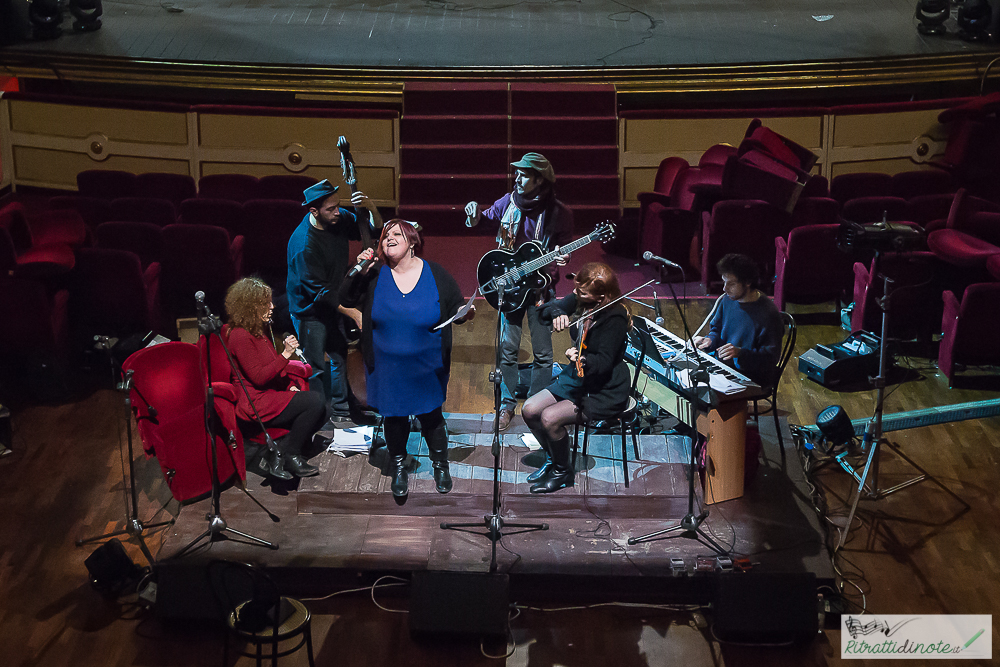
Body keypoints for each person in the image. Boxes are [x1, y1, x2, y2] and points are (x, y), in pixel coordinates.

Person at [341, 220, 475, 497]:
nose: (388, 238)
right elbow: (344, 297)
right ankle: (399, 465)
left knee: (431, 416)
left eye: (396, 234)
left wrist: (465, 312)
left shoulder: (436, 273)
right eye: (385, 235)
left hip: (427, 364)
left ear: (412, 241)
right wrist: (358, 271)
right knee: (394, 417)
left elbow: (455, 308)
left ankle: (440, 465)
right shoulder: (374, 275)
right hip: (386, 366)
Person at [464, 152, 574, 432]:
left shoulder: (559, 212)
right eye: (518, 173)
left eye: (524, 174)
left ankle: (536, 406)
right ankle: (506, 406)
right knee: (508, 350)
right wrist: (475, 214)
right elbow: (485, 219)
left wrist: (563, 258)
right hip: (509, 286)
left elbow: (564, 249)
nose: (517, 177)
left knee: (543, 354)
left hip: (540, 289)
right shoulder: (508, 201)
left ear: (539, 180)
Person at [521, 263, 631, 494]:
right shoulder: (584, 299)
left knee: (550, 418)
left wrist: (581, 359)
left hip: (602, 389)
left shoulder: (615, 318)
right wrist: (559, 312)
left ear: (602, 295)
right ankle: (554, 459)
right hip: (577, 377)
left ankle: (563, 472)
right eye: (577, 290)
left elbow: (603, 363)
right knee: (530, 409)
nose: (577, 294)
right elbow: (547, 310)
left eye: (583, 292)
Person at [286, 179, 383, 427]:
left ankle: (342, 411)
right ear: (313, 211)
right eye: (331, 209)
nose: (338, 212)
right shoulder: (304, 245)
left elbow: (368, 230)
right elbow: (320, 293)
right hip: (310, 312)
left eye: (338, 206)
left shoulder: (336, 219)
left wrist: (370, 208)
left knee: (339, 356)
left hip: (332, 301)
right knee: (316, 365)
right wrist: (355, 314)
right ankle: (316, 418)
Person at [224, 277, 328, 480]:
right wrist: (286, 354)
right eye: (266, 303)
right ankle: (289, 454)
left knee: (324, 410)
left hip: (269, 394)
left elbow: (273, 370)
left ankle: (280, 452)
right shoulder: (240, 336)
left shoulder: (258, 332)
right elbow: (259, 377)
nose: (272, 306)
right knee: (315, 402)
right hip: (256, 403)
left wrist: (289, 386)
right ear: (251, 306)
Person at [693, 253, 783, 387]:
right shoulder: (726, 301)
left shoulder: (768, 314)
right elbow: (716, 330)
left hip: (752, 376)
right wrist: (710, 340)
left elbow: (770, 358)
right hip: (725, 368)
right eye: (724, 282)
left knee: (702, 393)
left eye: (732, 284)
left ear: (747, 282)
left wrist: (740, 353)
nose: (725, 288)